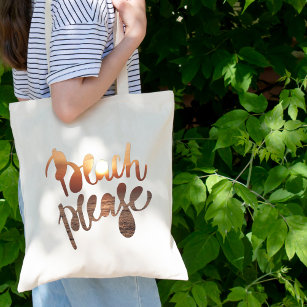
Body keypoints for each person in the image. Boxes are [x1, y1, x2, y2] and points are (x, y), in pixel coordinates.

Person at [0, 0, 162, 306]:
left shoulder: (30, 4)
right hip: (99, 191)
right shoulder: (80, 3)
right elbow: (67, 104)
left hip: (50, 188)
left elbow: (27, 98)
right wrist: (133, 36)